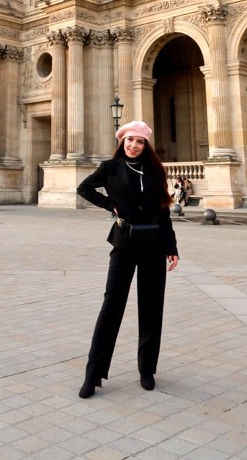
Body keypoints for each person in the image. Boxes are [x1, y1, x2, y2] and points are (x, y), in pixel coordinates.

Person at [76, 120, 179, 398]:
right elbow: (84, 189)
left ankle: (147, 369)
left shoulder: (155, 171)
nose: (134, 145)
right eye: (130, 140)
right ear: (122, 142)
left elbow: (163, 212)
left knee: (152, 308)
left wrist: (172, 246)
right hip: (124, 244)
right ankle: (93, 374)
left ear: (146, 145)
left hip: (154, 245)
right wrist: (111, 205)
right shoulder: (111, 168)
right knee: (111, 307)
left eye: (140, 141)